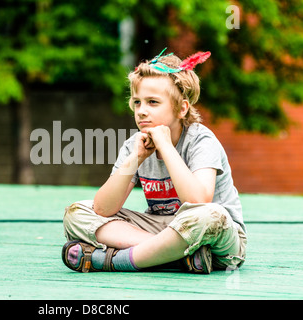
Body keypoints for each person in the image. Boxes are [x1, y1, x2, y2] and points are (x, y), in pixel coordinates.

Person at [62, 48, 247, 274]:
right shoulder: (135, 145)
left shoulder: (201, 140)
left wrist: (166, 147)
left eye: (152, 102)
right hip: (163, 229)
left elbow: (199, 201)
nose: (141, 111)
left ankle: (116, 260)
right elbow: (103, 208)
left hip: (214, 235)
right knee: (77, 213)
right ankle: (172, 255)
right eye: (137, 102)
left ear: (181, 108)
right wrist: (137, 157)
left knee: (211, 214)